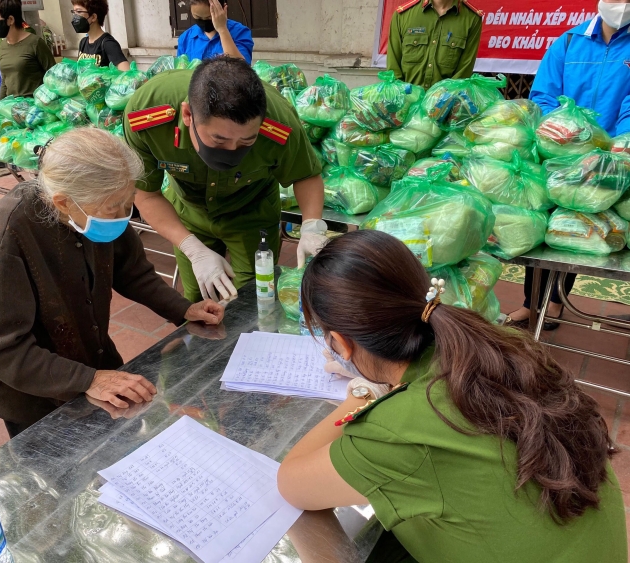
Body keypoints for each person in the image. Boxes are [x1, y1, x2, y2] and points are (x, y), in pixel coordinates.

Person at [277, 230, 627, 563]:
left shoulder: (398, 429)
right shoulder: (496, 347)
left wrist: (360, 393)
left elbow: (291, 484)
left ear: (341, 343)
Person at [0, 128, 225, 438]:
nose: (122, 215)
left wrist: (183, 309)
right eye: (113, 207)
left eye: (127, 203)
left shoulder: (97, 208)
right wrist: (88, 380)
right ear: (63, 203)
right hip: (27, 384)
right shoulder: (9, 235)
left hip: (86, 352)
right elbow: (3, 348)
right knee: (54, 462)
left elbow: (133, 272)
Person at [124, 57, 327, 302]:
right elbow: (146, 194)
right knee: (198, 299)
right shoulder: (147, 115)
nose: (232, 151)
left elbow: (305, 174)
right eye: (219, 141)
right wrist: (192, 249)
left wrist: (311, 227)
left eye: (246, 142)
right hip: (189, 211)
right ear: (188, 115)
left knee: (254, 298)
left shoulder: (280, 123)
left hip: (252, 210)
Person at [506, 0, 630, 330]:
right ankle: (531, 304)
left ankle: (557, 302)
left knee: (582, 231)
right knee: (545, 227)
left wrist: (611, 149)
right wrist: (561, 132)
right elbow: (543, 95)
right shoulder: (569, 41)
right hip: (559, 152)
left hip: (607, 163)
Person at [386, 0, 483, 89]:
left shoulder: (472, 18)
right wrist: (404, 98)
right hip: (406, 101)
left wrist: (442, 101)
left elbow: (464, 71)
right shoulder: (403, 15)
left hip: (446, 103)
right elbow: (393, 69)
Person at [0, 0, 55, 99]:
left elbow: (53, 75)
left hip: (34, 109)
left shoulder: (35, 43)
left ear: (10, 19)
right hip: (12, 108)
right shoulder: (2, 45)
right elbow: (5, 80)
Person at [176, 0, 253, 64]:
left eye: (209, 17)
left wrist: (222, 29)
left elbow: (242, 69)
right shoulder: (185, 38)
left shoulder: (240, 32)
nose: (204, 21)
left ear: (223, 9)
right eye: (197, 17)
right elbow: (181, 71)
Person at [71, 0, 130, 70]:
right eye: (74, 12)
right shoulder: (83, 42)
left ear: (93, 17)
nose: (75, 17)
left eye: (79, 11)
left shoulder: (108, 43)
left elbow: (126, 73)